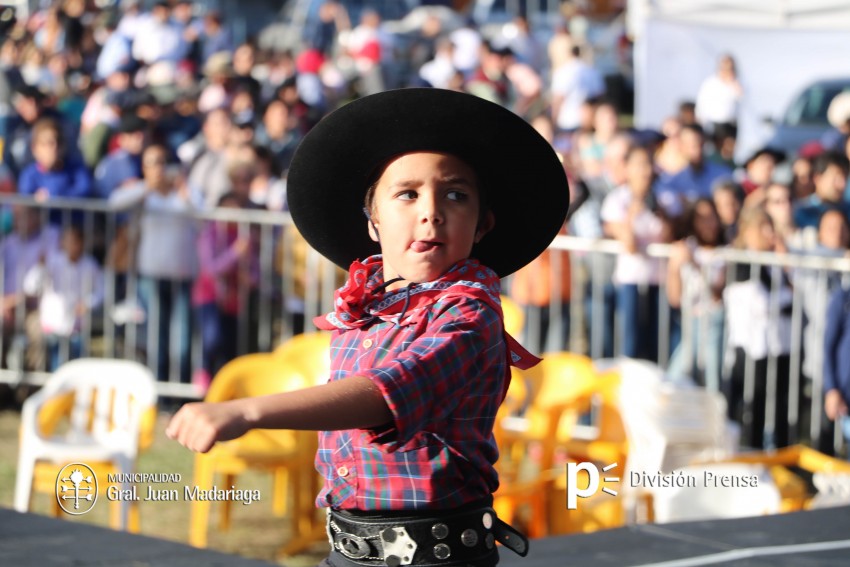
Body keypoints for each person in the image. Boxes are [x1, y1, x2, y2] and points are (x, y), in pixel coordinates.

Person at [166, 88, 570, 567]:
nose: (431, 210)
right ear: (373, 220)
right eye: (407, 193)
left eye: (456, 195)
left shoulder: (470, 314)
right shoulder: (363, 308)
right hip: (350, 551)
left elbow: (387, 393)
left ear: (482, 225)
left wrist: (247, 411)